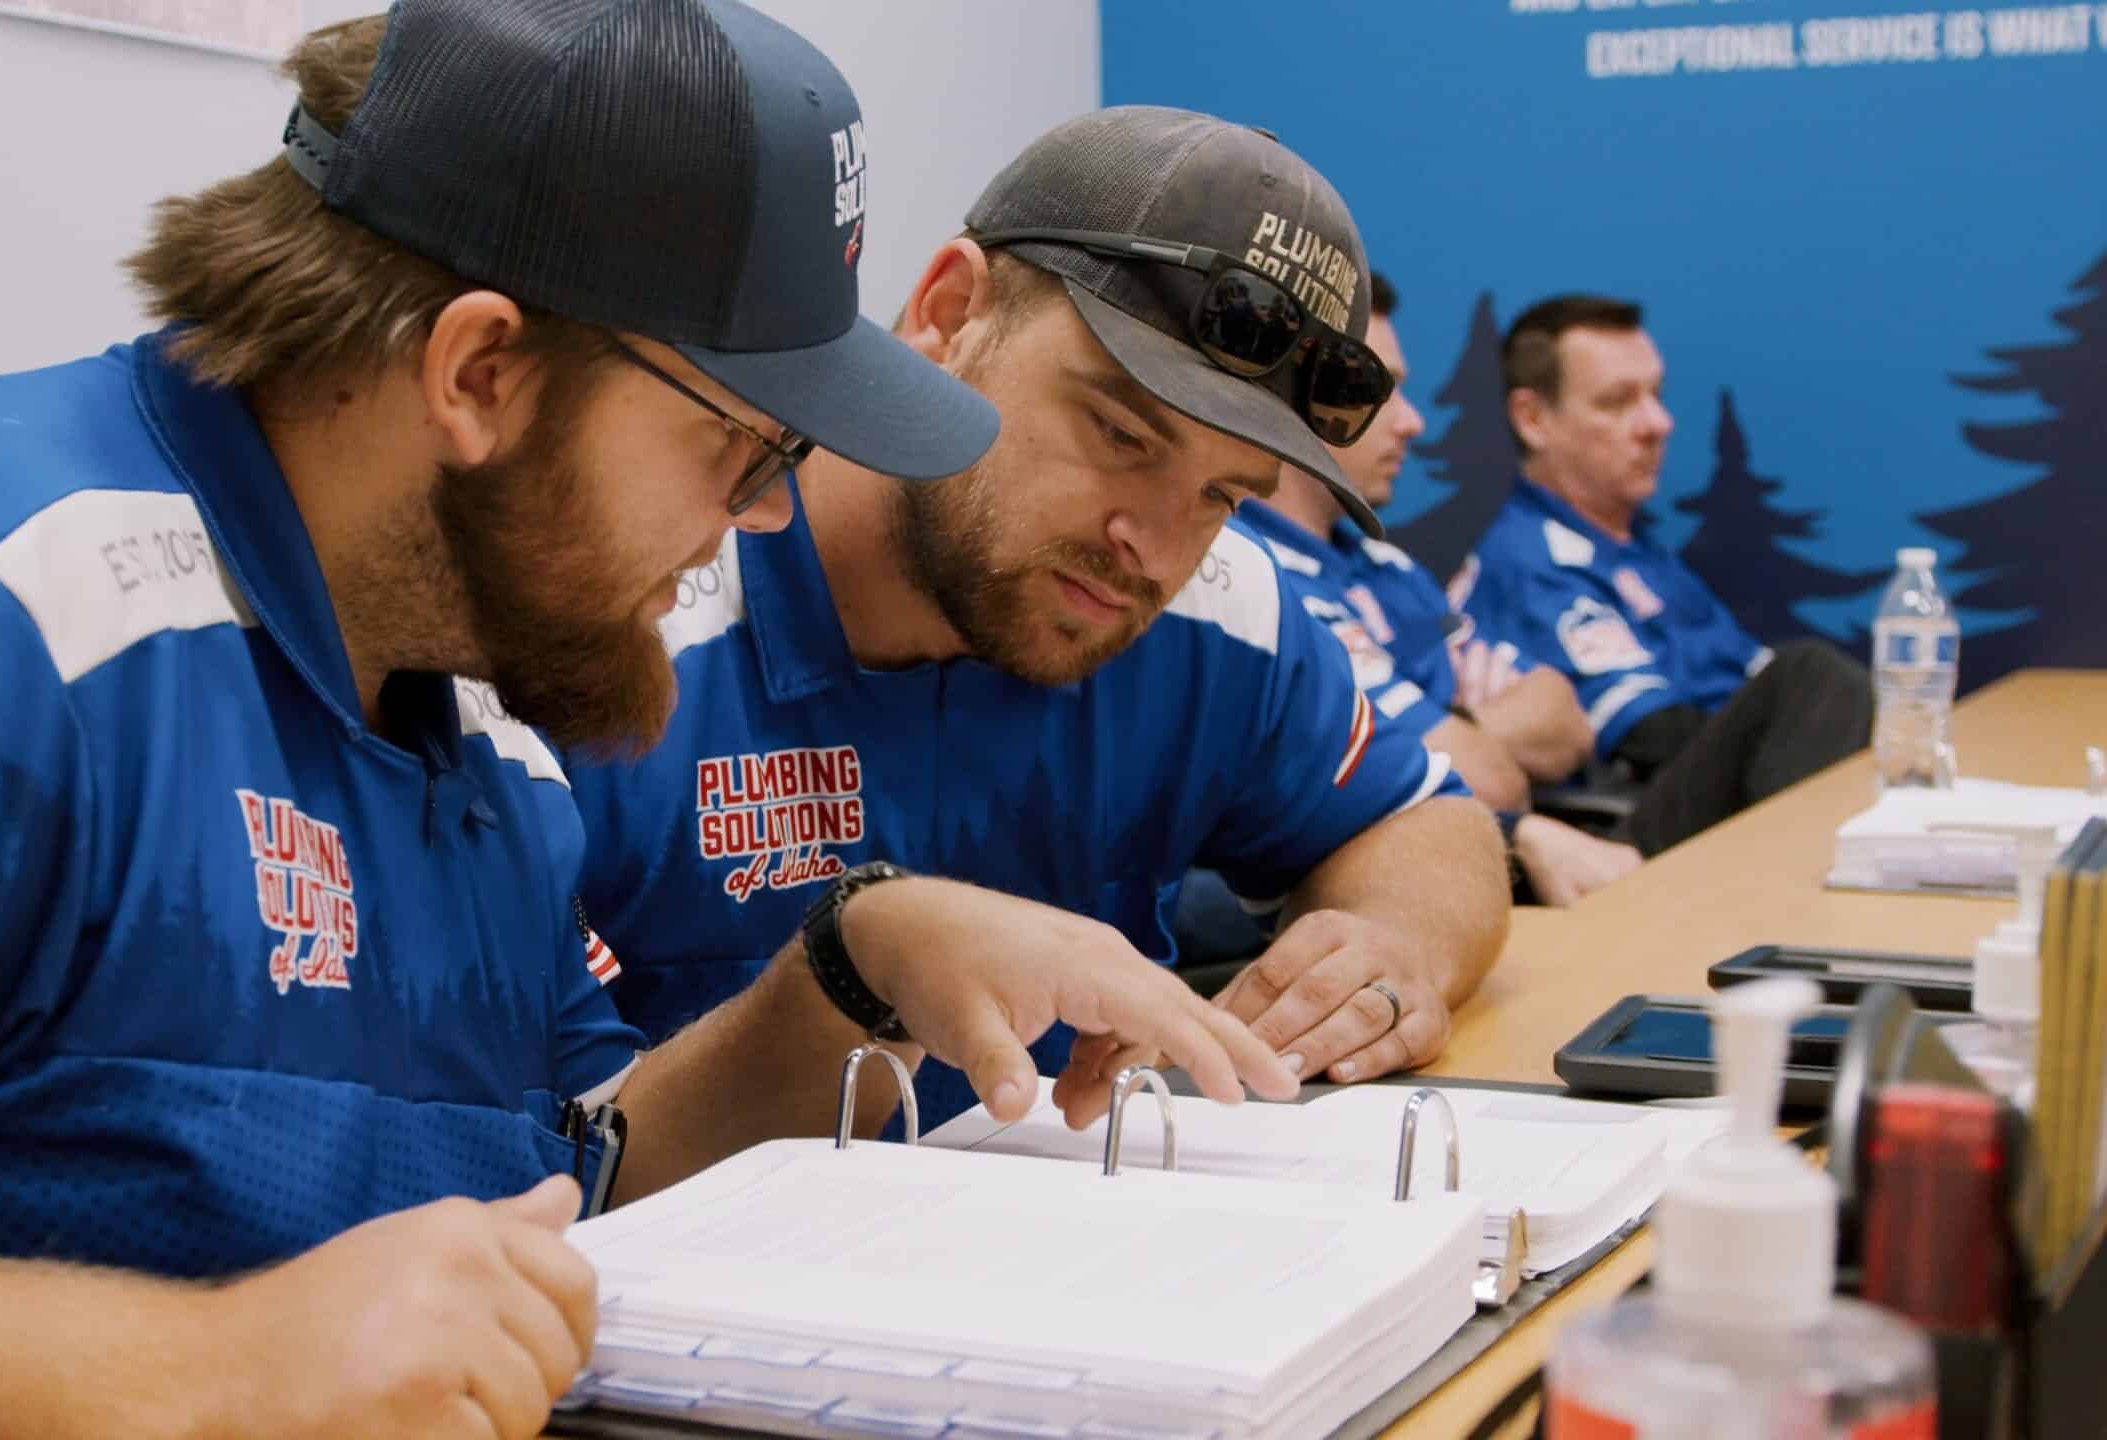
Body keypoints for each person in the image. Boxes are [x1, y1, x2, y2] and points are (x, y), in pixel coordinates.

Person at [0, 9, 1301, 1436]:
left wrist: (852, 965)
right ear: (476, 373)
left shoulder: (487, 705)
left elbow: (572, 1189)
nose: (768, 520)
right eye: (740, 448)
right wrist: (199, 1374)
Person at [566, 107, 1510, 1131]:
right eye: (1119, 434)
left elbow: (1427, 823)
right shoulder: (628, 615)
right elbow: (540, 1161)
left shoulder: (1217, 605)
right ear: (949, 309)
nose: (1151, 544)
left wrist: (1390, 947)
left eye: (1221, 495)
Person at [1231, 272, 1642, 905]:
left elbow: (1563, 716)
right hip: (1429, 883)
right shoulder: (1251, 575)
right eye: (1383, 390)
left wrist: (1455, 731)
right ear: (1292, 401)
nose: (1413, 423)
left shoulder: (1385, 565)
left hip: (1507, 858)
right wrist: (1468, 746)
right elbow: (1491, 784)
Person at [1453, 295, 1872, 855]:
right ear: (1533, 419)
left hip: (1713, 811)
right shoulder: (1529, 563)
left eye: (1656, 394)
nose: (1658, 423)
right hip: (1622, 841)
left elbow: (1747, 681)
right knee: (1812, 677)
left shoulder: (1640, 555)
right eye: (1618, 402)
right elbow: (1654, 738)